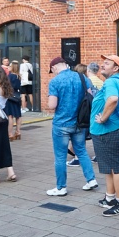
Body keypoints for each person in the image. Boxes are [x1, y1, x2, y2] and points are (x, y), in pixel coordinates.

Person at [46, 57, 97, 196]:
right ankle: (91, 179)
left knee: (60, 157)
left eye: (52, 70)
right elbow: (91, 95)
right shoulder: (81, 77)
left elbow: (52, 105)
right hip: (80, 122)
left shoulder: (55, 81)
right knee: (81, 151)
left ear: (54, 67)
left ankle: (61, 187)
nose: (53, 73)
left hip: (61, 124)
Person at [93, 55, 119, 217]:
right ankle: (110, 198)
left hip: (110, 130)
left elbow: (113, 99)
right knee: (110, 166)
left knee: (117, 167)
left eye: (107, 63)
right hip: (118, 129)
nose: (103, 65)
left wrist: (103, 118)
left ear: (116, 68)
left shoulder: (111, 82)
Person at [6, 61, 23, 140]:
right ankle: (18, 131)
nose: (8, 67)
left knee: (10, 115)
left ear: (12, 67)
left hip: (10, 97)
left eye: (9, 66)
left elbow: (7, 86)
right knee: (18, 115)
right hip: (17, 97)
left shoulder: (10, 76)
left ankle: (10, 134)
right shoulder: (18, 76)